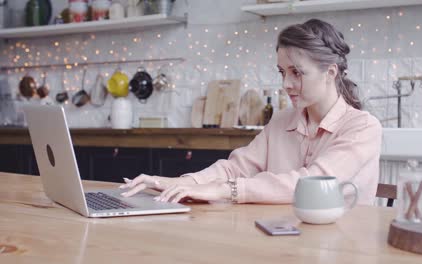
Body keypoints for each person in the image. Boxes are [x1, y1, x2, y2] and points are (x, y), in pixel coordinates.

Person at [120, 18, 382, 205]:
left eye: (296, 73)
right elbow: (236, 168)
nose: (285, 84)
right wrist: (181, 182)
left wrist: (225, 191)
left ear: (330, 73)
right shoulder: (281, 121)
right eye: (282, 72)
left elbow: (311, 184)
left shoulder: (363, 128)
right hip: (283, 237)